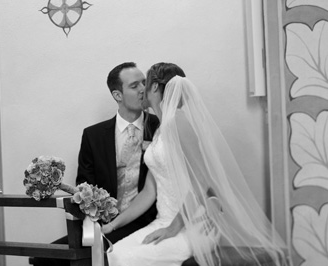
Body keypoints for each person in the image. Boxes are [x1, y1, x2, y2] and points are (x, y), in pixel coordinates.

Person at [103, 63, 287, 266]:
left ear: (154, 87)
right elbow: (149, 191)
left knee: (127, 260)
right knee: (114, 254)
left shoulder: (178, 123)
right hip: (163, 220)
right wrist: (113, 225)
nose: (141, 90)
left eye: (145, 84)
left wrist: (172, 229)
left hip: (193, 225)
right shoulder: (160, 129)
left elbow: (201, 179)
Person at [32, 62, 159, 266]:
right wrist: (97, 216)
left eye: (144, 83)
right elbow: (85, 184)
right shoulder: (93, 135)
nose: (143, 89)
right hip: (103, 223)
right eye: (135, 86)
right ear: (118, 95)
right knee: (44, 259)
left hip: (146, 221)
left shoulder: (160, 126)